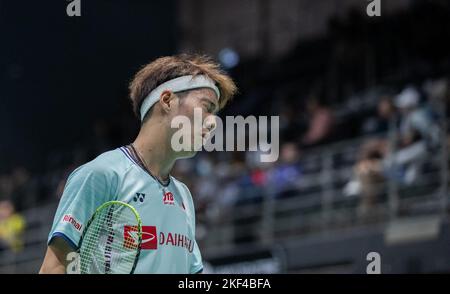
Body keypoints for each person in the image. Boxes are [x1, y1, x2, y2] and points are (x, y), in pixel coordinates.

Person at [39, 54, 237, 274]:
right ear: (168, 100)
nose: (212, 123)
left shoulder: (184, 197)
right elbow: (54, 268)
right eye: (206, 107)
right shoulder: (103, 175)